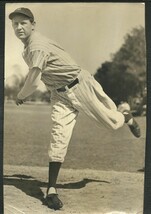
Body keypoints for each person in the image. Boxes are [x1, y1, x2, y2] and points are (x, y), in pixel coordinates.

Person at [9, 7, 141, 210]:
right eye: (15, 23)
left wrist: (20, 95)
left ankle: (125, 115)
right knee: (58, 136)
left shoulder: (36, 45)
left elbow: (34, 83)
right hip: (59, 94)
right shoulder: (28, 47)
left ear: (33, 25)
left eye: (23, 23)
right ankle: (51, 190)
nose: (18, 27)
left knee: (112, 124)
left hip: (79, 86)